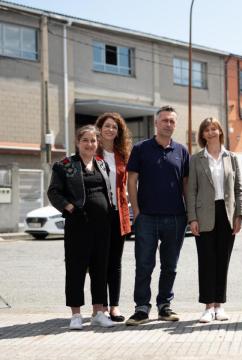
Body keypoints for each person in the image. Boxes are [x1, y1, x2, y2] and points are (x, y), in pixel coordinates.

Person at [125, 105, 190, 326]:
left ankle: (165, 306)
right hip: (147, 218)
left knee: (170, 265)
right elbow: (131, 180)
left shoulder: (181, 151)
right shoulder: (141, 148)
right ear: (156, 123)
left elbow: (186, 183)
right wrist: (137, 211)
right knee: (144, 264)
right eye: (164, 120)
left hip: (175, 218)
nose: (168, 124)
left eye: (172, 121)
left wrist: (189, 213)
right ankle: (141, 308)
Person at [47, 125, 115, 330]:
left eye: (93, 140)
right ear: (78, 142)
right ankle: (76, 315)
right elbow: (54, 192)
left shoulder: (102, 164)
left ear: (98, 143)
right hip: (78, 226)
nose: (90, 144)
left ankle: (99, 312)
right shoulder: (66, 165)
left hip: (102, 226)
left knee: (100, 270)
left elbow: (107, 191)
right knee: (75, 269)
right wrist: (69, 207)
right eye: (85, 140)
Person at [187, 118, 242, 323]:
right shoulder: (196, 159)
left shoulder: (232, 157)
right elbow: (191, 191)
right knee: (206, 260)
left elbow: (238, 189)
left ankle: (219, 305)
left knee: (222, 260)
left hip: (227, 214)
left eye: (214, 129)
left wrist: (239, 215)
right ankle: (207, 306)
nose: (211, 132)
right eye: (207, 130)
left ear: (220, 131)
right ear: (202, 135)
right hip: (204, 215)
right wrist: (192, 218)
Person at [95, 112, 132, 323]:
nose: (110, 130)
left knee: (115, 262)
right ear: (100, 129)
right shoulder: (92, 152)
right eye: (107, 126)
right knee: (100, 261)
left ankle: (115, 307)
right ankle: (100, 307)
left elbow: (126, 184)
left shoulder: (122, 154)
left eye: (114, 127)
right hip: (99, 215)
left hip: (119, 213)